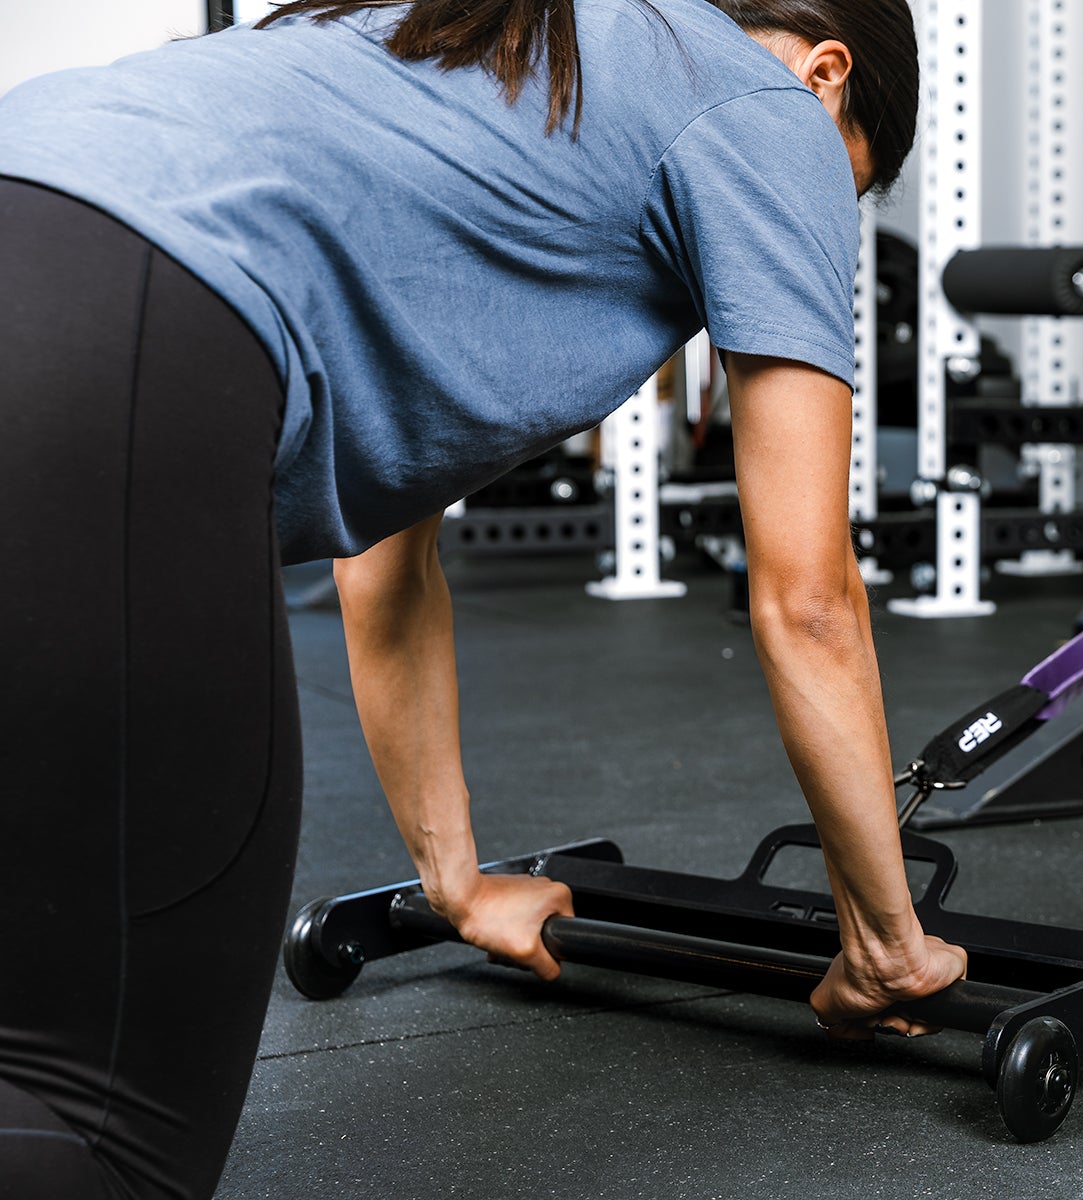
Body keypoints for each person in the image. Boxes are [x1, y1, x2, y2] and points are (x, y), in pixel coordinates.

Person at [0, 0, 965, 1195]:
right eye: (848, 178)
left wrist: (455, 886)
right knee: (103, 1128)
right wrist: (885, 942)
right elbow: (808, 599)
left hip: (36, 202)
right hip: (110, 332)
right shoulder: (770, 110)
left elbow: (388, 572)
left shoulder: (503, 54)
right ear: (828, 74)